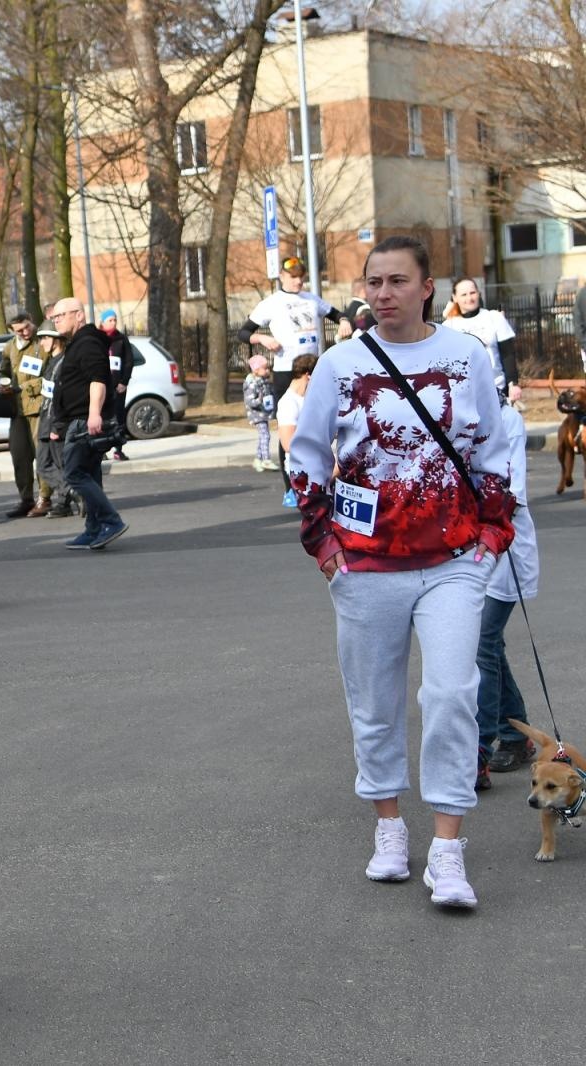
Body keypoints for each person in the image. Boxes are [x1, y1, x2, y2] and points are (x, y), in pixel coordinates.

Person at [288, 234, 515, 909]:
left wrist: (493, 535)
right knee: (375, 704)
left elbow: (493, 452)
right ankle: (389, 828)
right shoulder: (340, 364)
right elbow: (304, 457)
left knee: (450, 695)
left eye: (396, 281)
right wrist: (324, 546)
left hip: (452, 561)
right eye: (373, 282)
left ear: (427, 288)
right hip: (364, 565)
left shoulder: (465, 355)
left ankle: (448, 849)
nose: (382, 293)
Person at [238, 256, 351, 493]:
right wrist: (263, 338)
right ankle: (291, 486)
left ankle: (320, 477)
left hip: (314, 368)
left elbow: (337, 313)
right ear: (282, 277)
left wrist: (343, 320)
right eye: (293, 277)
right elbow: (244, 332)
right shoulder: (272, 303)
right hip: (287, 370)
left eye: (301, 276)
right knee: (289, 425)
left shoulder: (311, 299)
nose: (298, 281)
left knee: (320, 421)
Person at [476, 393, 540, 785]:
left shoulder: (505, 419)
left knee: (483, 642)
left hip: (504, 549)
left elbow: (509, 490)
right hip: (465, 550)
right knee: (490, 645)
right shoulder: (454, 415)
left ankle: (481, 747)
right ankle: (517, 735)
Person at [49, 299, 127, 550]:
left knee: (74, 472)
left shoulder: (88, 343)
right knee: (90, 473)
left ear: (79, 315)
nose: (56, 319)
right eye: (54, 317)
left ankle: (110, 521)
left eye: (61, 315)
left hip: (85, 421)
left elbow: (98, 379)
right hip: (78, 419)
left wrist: (94, 414)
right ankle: (93, 529)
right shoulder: (78, 343)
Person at [0, 315, 49, 518]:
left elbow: (49, 374)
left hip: (37, 407)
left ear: (31, 322)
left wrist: (23, 387)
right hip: (16, 410)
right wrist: (1, 383)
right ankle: (25, 499)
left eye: (27, 327)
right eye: (19, 331)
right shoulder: (9, 347)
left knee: (41, 453)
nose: (24, 333)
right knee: (19, 455)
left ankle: (45, 498)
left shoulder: (42, 343)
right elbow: (3, 368)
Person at [442, 278, 521, 402]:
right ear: (455, 298)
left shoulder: (494, 318)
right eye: (464, 294)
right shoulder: (448, 326)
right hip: (464, 393)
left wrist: (513, 384)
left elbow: (508, 354)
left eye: (472, 293)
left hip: (496, 389)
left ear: (478, 293)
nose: (469, 298)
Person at [31, 319, 76, 519]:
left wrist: (57, 426)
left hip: (55, 421)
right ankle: (66, 499)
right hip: (46, 418)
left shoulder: (64, 362)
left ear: (56, 339)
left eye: (45, 338)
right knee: (44, 464)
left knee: (54, 464)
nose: (41, 343)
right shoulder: (51, 361)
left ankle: (69, 494)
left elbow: (63, 397)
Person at [275, 355, 318, 508]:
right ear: (308, 375)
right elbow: (288, 444)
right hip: (303, 468)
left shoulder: (307, 398)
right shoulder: (288, 403)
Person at [97, 311, 134, 461]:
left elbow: (128, 361)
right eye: (110, 320)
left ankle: (118, 450)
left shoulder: (121, 339)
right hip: (102, 385)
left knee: (118, 417)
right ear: (103, 322)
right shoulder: (98, 338)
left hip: (118, 385)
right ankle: (101, 450)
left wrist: (124, 382)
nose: (113, 323)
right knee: (102, 417)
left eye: (115, 320)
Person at [243, 354, 277, 472]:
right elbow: (250, 401)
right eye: (265, 368)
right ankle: (266, 459)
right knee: (265, 436)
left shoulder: (264, 381)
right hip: (257, 414)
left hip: (264, 413)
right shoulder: (251, 383)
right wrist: (260, 400)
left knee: (263, 436)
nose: (267, 370)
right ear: (256, 370)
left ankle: (258, 458)